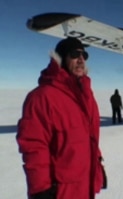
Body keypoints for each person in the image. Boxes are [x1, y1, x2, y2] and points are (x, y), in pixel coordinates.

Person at [16, 37, 107, 199]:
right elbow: (34, 146)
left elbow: (89, 137)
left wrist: (97, 164)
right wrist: (40, 190)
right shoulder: (42, 97)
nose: (80, 60)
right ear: (61, 59)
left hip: (85, 186)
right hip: (61, 191)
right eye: (74, 54)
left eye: (84, 55)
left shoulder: (87, 96)